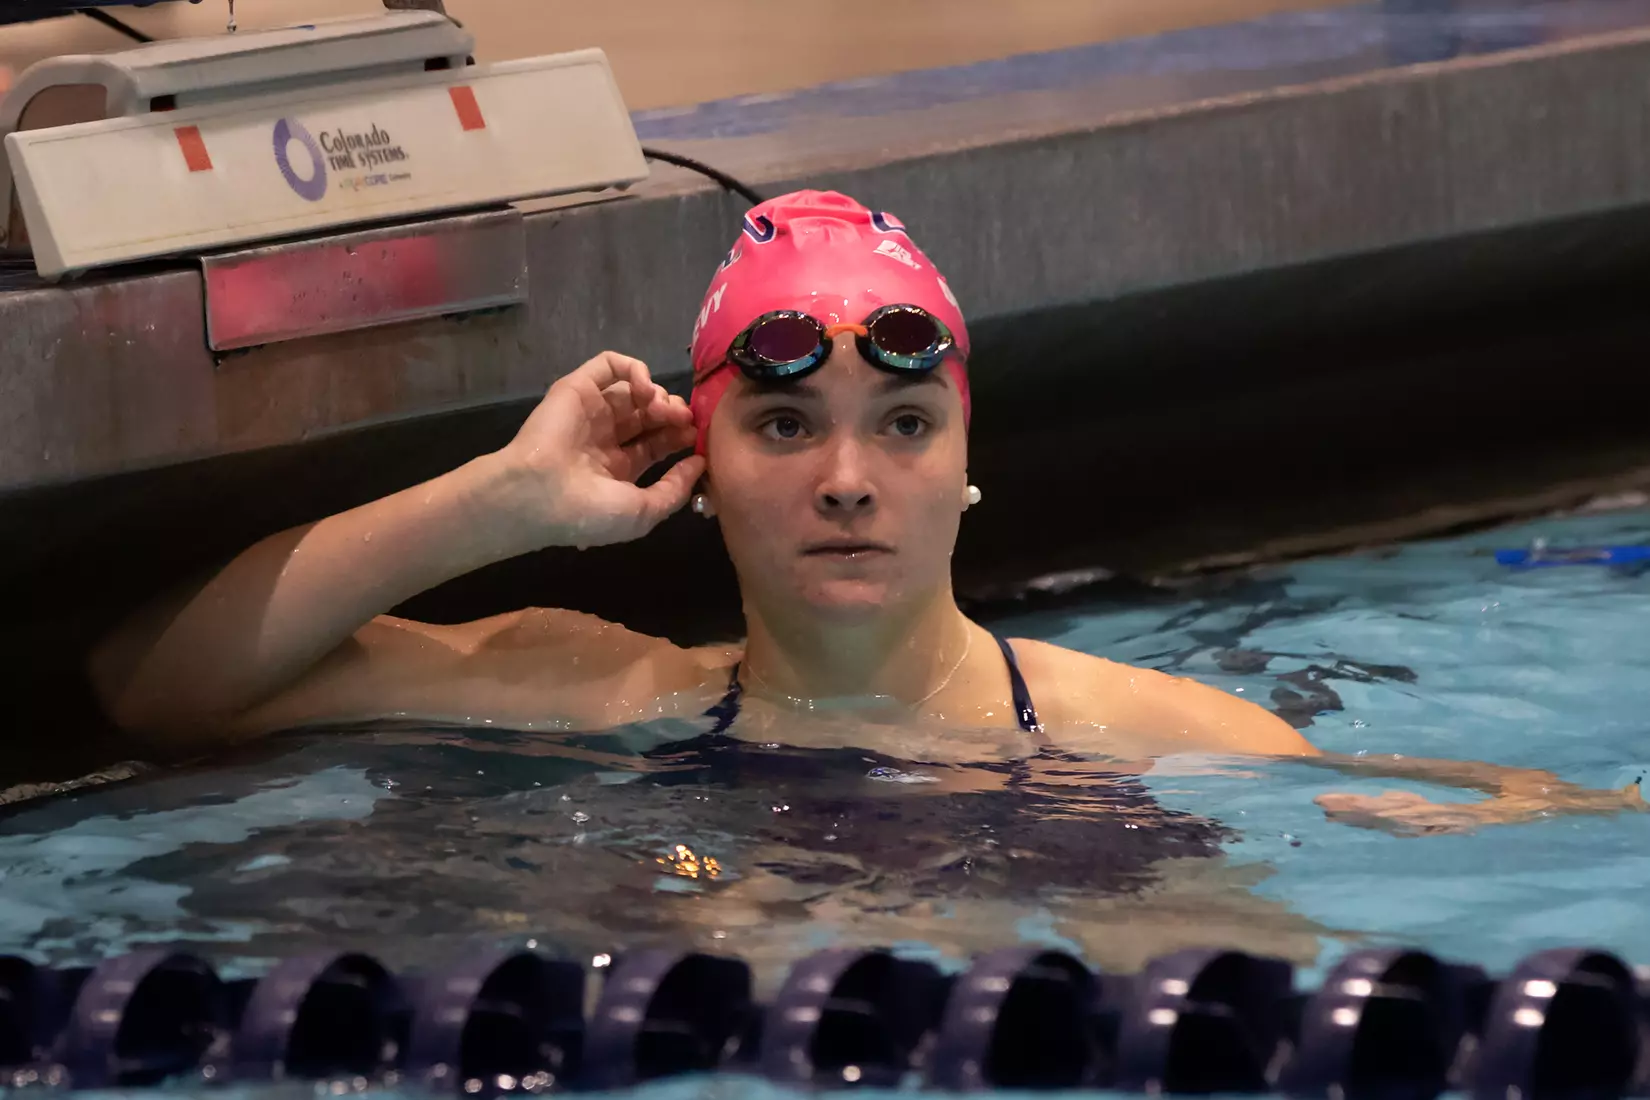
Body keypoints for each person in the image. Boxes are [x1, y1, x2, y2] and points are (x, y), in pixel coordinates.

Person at [90, 189, 1642, 836]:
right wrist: (497, 502)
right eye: (782, 425)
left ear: (965, 459)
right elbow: (153, 687)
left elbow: (1545, 813)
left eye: (902, 424)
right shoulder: (588, 688)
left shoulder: (1157, 733)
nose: (845, 476)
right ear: (697, 462)